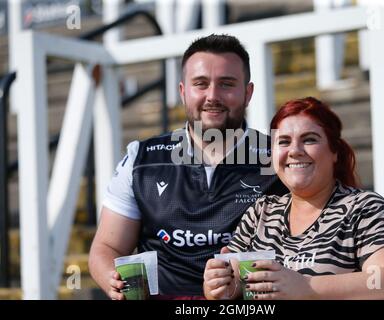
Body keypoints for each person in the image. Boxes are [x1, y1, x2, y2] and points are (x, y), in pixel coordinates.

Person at [88, 34, 287, 299]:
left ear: (248, 93)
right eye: (200, 84)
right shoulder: (142, 159)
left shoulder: (280, 157)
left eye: (227, 84)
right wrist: (113, 282)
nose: (212, 96)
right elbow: (107, 246)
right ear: (183, 91)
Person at [203, 97, 384, 300]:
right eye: (284, 142)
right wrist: (222, 286)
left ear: (334, 152)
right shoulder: (261, 211)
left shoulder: (364, 208)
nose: (294, 151)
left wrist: (307, 286)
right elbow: (235, 284)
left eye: (309, 139)